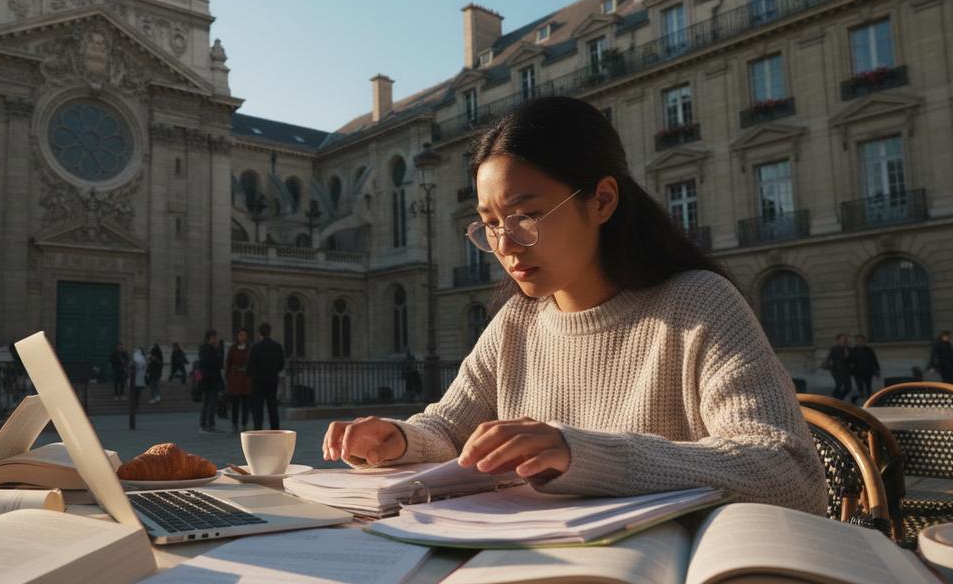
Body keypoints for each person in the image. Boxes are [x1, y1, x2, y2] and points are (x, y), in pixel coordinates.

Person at [320, 97, 825, 514]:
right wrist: (399, 439)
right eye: (489, 224)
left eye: (526, 216)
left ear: (603, 200)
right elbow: (450, 429)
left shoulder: (696, 304)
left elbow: (787, 472)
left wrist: (580, 453)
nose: (505, 244)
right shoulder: (517, 322)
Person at [247, 322, 286, 430]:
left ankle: (258, 428)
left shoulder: (255, 347)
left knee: (258, 406)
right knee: (272, 405)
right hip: (272, 379)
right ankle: (275, 428)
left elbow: (250, 365)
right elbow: (281, 364)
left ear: (260, 333)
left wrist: (253, 374)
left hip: (258, 380)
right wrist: (273, 371)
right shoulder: (277, 346)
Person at [225, 328, 253, 434]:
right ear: (237, 336)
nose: (242, 337)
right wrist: (227, 377)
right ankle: (234, 424)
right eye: (240, 335)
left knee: (245, 404)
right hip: (235, 379)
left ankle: (244, 424)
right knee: (235, 404)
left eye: (244, 335)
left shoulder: (249, 349)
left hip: (246, 379)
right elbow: (228, 363)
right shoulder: (233, 349)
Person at [197, 330, 222, 434]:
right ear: (209, 338)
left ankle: (208, 424)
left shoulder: (208, 349)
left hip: (208, 381)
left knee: (208, 403)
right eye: (214, 338)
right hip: (209, 381)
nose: (216, 340)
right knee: (208, 404)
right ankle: (205, 425)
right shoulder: (208, 350)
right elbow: (207, 366)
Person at [849, 334, 880, 403]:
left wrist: (877, 371)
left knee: (868, 385)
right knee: (860, 386)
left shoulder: (869, 350)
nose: (860, 342)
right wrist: (851, 371)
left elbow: (874, 360)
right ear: (856, 341)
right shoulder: (853, 350)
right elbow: (849, 361)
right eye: (858, 341)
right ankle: (862, 397)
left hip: (868, 371)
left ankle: (869, 398)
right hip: (857, 372)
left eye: (861, 340)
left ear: (864, 341)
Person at [824, 334, 852, 401]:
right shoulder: (835, 349)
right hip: (837, 371)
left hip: (846, 372)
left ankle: (839, 399)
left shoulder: (848, 349)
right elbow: (829, 359)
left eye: (845, 339)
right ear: (838, 341)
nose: (844, 341)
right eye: (842, 339)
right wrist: (831, 369)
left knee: (848, 387)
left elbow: (851, 359)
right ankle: (834, 399)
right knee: (838, 385)